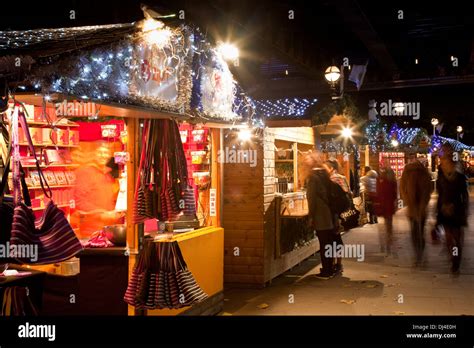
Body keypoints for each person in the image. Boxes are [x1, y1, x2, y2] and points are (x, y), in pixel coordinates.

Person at [436, 143, 469, 274]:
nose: (443, 164)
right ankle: (454, 260)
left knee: (457, 238)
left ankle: (456, 261)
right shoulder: (441, 177)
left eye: (445, 161)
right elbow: (440, 195)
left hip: (457, 211)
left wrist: (464, 209)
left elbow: (464, 195)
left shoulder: (459, 177)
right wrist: (438, 213)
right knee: (449, 239)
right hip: (445, 211)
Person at [305, 153, 336, 279]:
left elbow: (311, 198)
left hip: (320, 214)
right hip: (329, 213)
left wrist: (310, 216)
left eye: (306, 161)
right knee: (328, 241)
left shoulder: (312, 177)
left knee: (323, 242)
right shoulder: (325, 174)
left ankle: (326, 271)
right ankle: (330, 268)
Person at [400, 160, 433, 266]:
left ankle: (418, 256)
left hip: (412, 207)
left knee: (414, 232)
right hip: (421, 208)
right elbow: (429, 189)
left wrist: (407, 201)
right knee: (420, 232)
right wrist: (423, 204)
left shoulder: (407, 172)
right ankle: (421, 255)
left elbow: (402, 188)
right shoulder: (424, 172)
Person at [324, 159, 351, 275]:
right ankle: (338, 263)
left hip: (332, 212)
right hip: (340, 212)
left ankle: (334, 264)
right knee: (337, 238)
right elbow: (348, 192)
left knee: (333, 238)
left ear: (330, 168)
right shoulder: (342, 177)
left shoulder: (331, 179)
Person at [376, 162, 398, 254]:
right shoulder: (392, 181)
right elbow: (394, 194)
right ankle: (389, 241)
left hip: (382, 204)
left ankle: (384, 245)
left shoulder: (380, 180)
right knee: (389, 224)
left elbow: (378, 192)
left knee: (382, 225)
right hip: (389, 204)